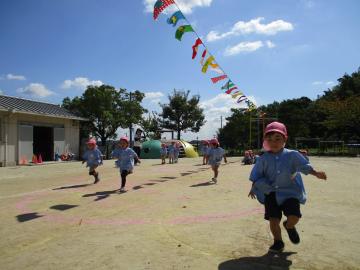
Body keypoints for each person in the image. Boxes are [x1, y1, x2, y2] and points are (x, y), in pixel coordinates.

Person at [248, 122, 327, 253]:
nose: (274, 142)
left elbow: (304, 166)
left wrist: (316, 173)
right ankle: (278, 241)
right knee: (273, 219)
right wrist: (254, 187)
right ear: (265, 140)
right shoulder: (263, 158)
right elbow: (257, 175)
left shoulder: (292, 155)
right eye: (270, 139)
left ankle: (289, 226)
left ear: (285, 138)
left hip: (290, 192)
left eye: (277, 138)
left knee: (294, 216)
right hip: (271, 192)